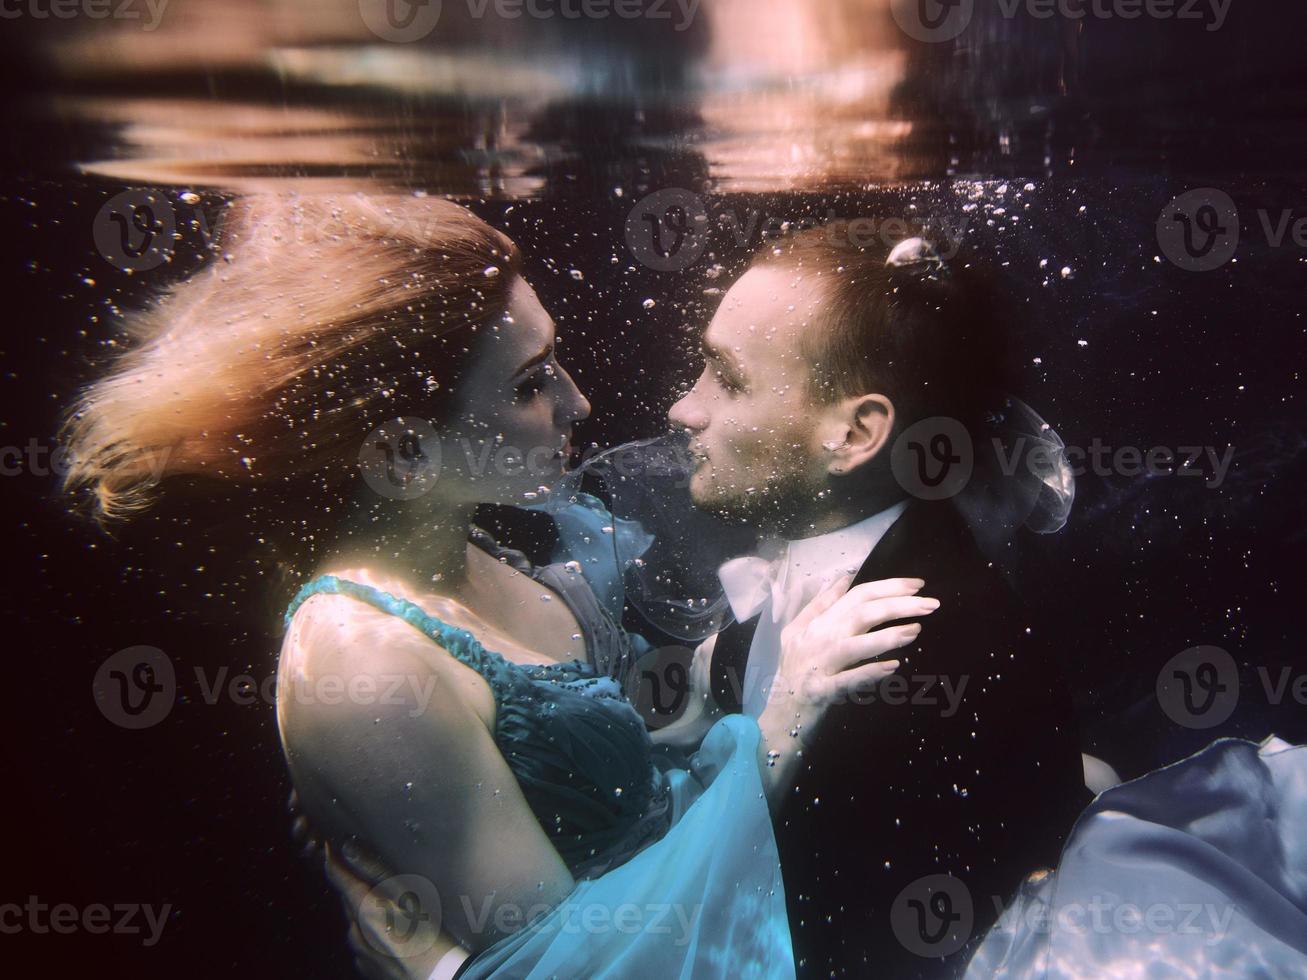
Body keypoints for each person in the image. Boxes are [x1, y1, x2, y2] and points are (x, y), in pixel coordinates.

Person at [60, 194, 937, 980]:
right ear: (404, 453)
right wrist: (779, 726)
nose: (579, 402)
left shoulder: (477, 546)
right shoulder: (362, 663)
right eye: (529, 384)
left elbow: (622, 759)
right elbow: (571, 967)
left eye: (552, 362)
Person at [665, 225, 1092, 978]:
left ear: (855, 433)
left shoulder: (934, 661)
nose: (683, 410)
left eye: (725, 379)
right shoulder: (833, 569)